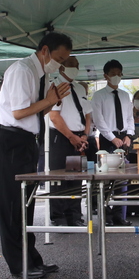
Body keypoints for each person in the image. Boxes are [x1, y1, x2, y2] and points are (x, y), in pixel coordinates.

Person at [0, 32, 72, 279]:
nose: (59, 64)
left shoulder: (41, 74)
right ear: (45, 50)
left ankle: (31, 259)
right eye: (58, 58)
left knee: (26, 204)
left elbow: (37, 112)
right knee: (13, 204)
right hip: (9, 140)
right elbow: (18, 113)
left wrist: (52, 101)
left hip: (26, 141)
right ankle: (19, 265)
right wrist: (47, 100)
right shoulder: (22, 70)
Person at [49, 56, 93, 226]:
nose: (74, 68)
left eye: (76, 65)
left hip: (79, 137)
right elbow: (54, 116)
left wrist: (84, 135)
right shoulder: (54, 86)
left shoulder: (79, 88)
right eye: (70, 65)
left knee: (76, 178)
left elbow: (88, 114)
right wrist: (71, 136)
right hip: (61, 137)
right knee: (60, 178)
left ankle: (74, 215)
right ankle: (58, 216)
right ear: (61, 67)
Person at [91, 59, 135, 226]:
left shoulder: (125, 96)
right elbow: (99, 119)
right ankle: (107, 216)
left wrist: (129, 135)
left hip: (123, 138)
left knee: (122, 179)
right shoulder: (99, 95)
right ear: (106, 76)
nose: (116, 77)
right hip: (107, 138)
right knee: (107, 178)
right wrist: (111, 137)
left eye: (119, 74)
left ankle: (120, 215)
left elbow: (130, 118)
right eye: (113, 74)